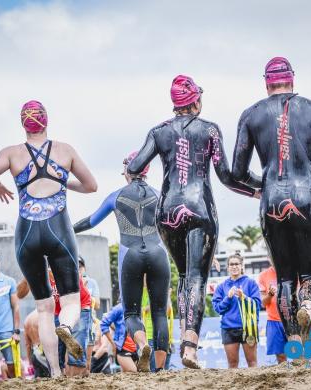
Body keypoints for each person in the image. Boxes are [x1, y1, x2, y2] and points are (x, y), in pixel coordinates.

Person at [127, 75, 260, 369]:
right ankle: (190, 347)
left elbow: (136, 166)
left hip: (167, 211)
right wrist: (255, 191)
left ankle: (182, 344)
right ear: (196, 101)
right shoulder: (210, 130)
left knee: (186, 276)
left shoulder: (159, 131)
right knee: (197, 277)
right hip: (200, 209)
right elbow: (226, 176)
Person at [232, 57, 311, 342]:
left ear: (266, 83)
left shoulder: (251, 115)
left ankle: (295, 340)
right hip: (307, 196)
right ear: (293, 80)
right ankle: (309, 306)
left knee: (285, 278)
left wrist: (262, 186)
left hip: (272, 199)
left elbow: (238, 172)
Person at [0, 100, 97, 377]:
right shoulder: (65, 150)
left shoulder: (11, 154)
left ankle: (53, 372)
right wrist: (63, 181)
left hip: (26, 232)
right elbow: (91, 186)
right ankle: (65, 326)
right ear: (46, 121)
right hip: (59, 229)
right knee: (71, 302)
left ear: (23, 124)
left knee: (42, 308)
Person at [74, 152, 170, 371]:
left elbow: (91, 221)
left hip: (131, 254)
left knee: (131, 313)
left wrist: (68, 230)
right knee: (158, 312)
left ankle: (142, 345)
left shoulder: (116, 196)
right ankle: (160, 370)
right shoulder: (160, 194)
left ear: (128, 171)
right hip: (158, 253)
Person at [212, 253, 261, 368]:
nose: (234, 266)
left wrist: (243, 297)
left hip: (248, 327)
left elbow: (257, 305)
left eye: (237, 264)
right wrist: (227, 298)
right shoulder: (222, 286)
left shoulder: (251, 283)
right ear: (228, 267)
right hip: (228, 328)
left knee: (252, 363)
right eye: (231, 264)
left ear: (241, 266)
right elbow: (218, 308)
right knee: (232, 364)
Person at [0, 250, 20, 378]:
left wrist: (16, 332)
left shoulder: (9, 281)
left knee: (13, 368)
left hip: (7, 332)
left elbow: (16, 307)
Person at [257, 262, 287, 364]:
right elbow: (262, 303)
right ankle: (286, 379)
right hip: (274, 321)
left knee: (298, 353)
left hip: (292, 320)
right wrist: (270, 294)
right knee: (280, 356)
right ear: (268, 257)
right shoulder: (263, 275)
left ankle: (300, 378)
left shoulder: (292, 271)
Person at [142, 285, 174, 371]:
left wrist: (166, 296)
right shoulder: (145, 292)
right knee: (155, 370)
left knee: (164, 371)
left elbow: (167, 311)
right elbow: (141, 311)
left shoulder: (165, 296)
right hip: (151, 337)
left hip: (166, 338)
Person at [100, 303, 139, 373]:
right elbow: (104, 323)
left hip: (135, 350)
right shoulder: (119, 308)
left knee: (127, 379)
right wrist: (113, 343)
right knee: (134, 373)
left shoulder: (137, 307)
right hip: (123, 350)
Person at [78, 257, 100, 370]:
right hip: (76, 323)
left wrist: (85, 292)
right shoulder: (70, 282)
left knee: (87, 359)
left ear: (84, 268)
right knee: (75, 356)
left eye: (80, 266)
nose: (78, 269)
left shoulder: (92, 282)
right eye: (76, 266)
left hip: (90, 322)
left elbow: (97, 305)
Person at [23, 310, 50, 378]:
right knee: (52, 377)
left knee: (38, 380)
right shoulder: (44, 316)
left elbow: (28, 344)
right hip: (43, 352)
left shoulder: (27, 319)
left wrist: (29, 362)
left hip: (34, 353)